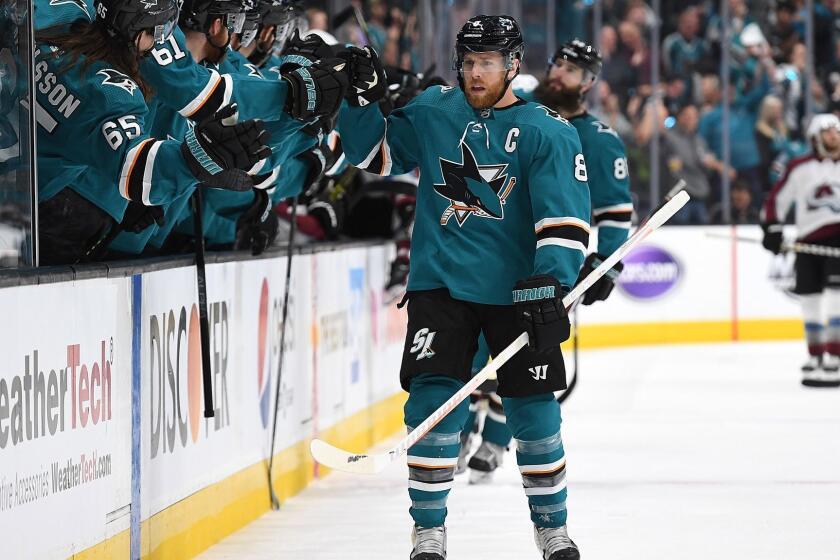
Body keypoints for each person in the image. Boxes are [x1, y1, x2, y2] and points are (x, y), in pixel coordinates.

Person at [338, 15, 590, 560]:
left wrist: (551, 281)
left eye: (488, 63)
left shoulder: (548, 130)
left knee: (533, 410)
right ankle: (428, 530)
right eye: (470, 62)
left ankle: (553, 529)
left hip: (519, 294)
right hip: (442, 288)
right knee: (432, 404)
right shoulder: (433, 110)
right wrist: (357, 101)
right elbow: (375, 156)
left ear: (513, 65)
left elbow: (565, 223)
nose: (476, 73)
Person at [460, 39, 634, 487]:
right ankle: (458, 430)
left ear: (590, 83)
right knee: (468, 354)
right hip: (488, 257)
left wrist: (605, 264)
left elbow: (614, 213)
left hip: (548, 265)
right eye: (559, 64)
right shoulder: (513, 114)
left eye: (574, 71)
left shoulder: (598, 140)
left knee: (522, 360)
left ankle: (496, 441)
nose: (560, 74)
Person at [33, 0, 271, 264]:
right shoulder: (114, 93)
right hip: (40, 209)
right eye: (159, 34)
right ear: (138, 36)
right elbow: (138, 166)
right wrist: (196, 160)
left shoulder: (59, 17)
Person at [761, 113, 840, 387]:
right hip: (808, 241)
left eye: (837, 132)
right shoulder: (800, 167)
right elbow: (776, 201)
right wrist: (772, 228)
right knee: (810, 299)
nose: (834, 136)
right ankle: (816, 355)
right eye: (829, 132)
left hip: (838, 241)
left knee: (834, 297)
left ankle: (835, 357)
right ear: (816, 137)